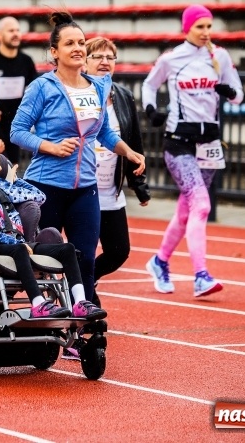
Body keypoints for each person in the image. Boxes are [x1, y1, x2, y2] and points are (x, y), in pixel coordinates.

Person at [10, 11, 146, 311]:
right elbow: (17, 132)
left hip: (86, 187)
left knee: (84, 258)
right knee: (43, 258)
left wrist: (129, 151)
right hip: (46, 186)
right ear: (54, 52)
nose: (78, 48)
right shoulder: (42, 87)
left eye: (81, 42)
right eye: (69, 43)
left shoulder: (97, 87)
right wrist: (49, 146)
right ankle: (41, 312)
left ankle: (78, 331)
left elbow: (104, 133)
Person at [141, 4, 243, 298]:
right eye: (200, 26)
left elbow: (238, 96)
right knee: (201, 206)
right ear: (187, 29)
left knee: (188, 211)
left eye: (209, 26)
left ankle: (159, 261)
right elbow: (149, 85)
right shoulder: (172, 59)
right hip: (179, 142)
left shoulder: (219, 56)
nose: (206, 32)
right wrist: (151, 110)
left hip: (209, 143)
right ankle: (201, 276)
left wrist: (227, 91)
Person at [0, 129, 106, 319]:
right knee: (20, 250)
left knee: (67, 249)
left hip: (18, 244)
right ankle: (38, 304)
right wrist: (13, 242)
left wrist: (15, 181)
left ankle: (80, 303)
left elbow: (38, 195)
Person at [84, 37, 150, 302]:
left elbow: (133, 140)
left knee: (119, 251)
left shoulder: (123, 96)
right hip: (82, 190)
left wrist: (140, 186)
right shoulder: (78, 94)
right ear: (85, 61)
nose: (104, 62)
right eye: (97, 57)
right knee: (84, 250)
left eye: (110, 57)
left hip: (111, 192)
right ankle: (86, 301)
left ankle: (86, 278)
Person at [0, 16, 38, 164]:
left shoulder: (26, 61)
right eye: (11, 30)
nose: (16, 34)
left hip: (17, 121)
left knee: (14, 166)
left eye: (18, 30)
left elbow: (34, 90)